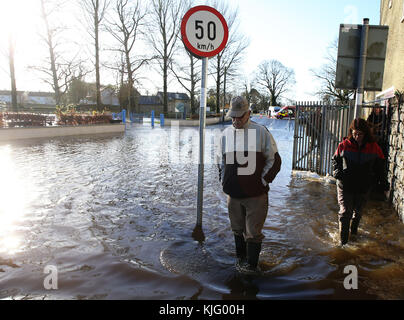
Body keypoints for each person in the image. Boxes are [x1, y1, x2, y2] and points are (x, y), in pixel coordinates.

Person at [218, 96, 281, 272]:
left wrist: (262, 181)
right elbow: (221, 161)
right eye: (233, 116)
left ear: (249, 114)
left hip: (256, 196)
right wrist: (224, 180)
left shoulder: (261, 132)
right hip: (233, 195)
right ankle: (240, 262)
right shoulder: (225, 135)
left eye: (240, 116)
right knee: (237, 230)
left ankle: (251, 269)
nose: (236, 120)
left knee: (253, 234)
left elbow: (274, 160)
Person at [332, 118, 389, 246]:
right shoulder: (344, 145)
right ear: (351, 132)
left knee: (357, 212)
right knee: (345, 212)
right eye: (355, 133)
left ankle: (354, 233)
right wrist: (337, 173)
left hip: (364, 185)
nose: (357, 136)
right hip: (345, 184)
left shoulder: (374, 148)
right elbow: (335, 160)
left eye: (360, 134)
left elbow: (380, 167)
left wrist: (383, 183)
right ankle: (343, 244)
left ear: (366, 133)